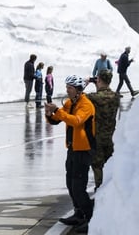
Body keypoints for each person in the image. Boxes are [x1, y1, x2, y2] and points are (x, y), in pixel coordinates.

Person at [45, 75, 95, 233]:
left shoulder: (86, 104)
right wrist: (49, 114)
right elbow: (56, 120)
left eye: (70, 88)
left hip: (84, 150)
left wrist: (58, 111)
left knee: (78, 187)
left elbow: (76, 121)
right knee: (70, 184)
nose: (67, 90)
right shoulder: (70, 103)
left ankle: (91, 217)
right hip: (72, 149)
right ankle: (78, 213)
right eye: (67, 87)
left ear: (78, 90)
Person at [86, 69, 119, 190]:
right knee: (109, 166)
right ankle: (111, 191)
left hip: (97, 138)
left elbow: (76, 98)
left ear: (98, 79)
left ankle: (100, 191)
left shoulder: (93, 97)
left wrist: (87, 82)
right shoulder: (116, 96)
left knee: (97, 166)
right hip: (111, 136)